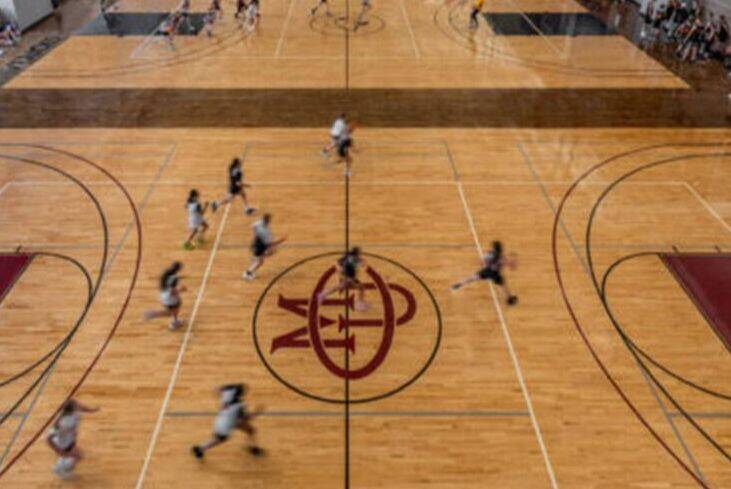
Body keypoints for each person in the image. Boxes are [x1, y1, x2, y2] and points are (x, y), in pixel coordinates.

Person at [191, 384, 264, 459]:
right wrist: (257, 411)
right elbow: (247, 418)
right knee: (219, 439)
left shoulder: (227, 393)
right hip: (226, 425)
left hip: (222, 419)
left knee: (250, 430)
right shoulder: (240, 405)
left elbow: (216, 389)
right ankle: (200, 448)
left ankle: (252, 447)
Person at [451, 241, 518, 305]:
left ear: (494, 248)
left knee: (472, 278)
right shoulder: (502, 257)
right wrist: (514, 261)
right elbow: (511, 267)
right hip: (495, 274)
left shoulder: (489, 254)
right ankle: (509, 299)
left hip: (487, 271)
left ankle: (458, 285)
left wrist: (484, 264)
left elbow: (482, 262)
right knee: (503, 285)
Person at [46, 400, 98, 479]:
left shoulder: (74, 413)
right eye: (76, 405)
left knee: (75, 456)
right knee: (78, 456)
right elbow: (49, 439)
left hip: (70, 440)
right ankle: (59, 469)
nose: (79, 405)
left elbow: (82, 407)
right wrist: (58, 451)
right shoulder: (63, 423)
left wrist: (91, 410)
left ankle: (62, 465)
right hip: (64, 444)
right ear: (72, 409)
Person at [317, 247, 368, 311]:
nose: (360, 254)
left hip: (346, 276)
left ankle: (323, 294)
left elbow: (339, 262)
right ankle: (359, 305)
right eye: (359, 253)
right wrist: (361, 262)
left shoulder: (348, 257)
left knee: (339, 287)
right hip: (349, 278)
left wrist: (341, 271)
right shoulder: (352, 260)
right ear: (356, 253)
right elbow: (359, 264)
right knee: (361, 287)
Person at [143, 262, 186, 330]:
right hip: (169, 297)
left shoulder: (165, 273)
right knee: (171, 312)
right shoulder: (174, 278)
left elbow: (164, 285)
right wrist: (181, 290)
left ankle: (175, 321)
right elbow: (172, 291)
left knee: (177, 306)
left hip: (163, 294)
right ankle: (152, 314)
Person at [243, 214, 286, 280]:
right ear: (267, 220)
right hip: (260, 246)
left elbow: (253, 226)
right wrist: (281, 241)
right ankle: (247, 273)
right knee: (259, 262)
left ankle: (250, 270)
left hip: (257, 242)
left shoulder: (258, 223)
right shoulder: (264, 232)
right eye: (269, 220)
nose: (269, 221)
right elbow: (269, 244)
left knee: (260, 261)